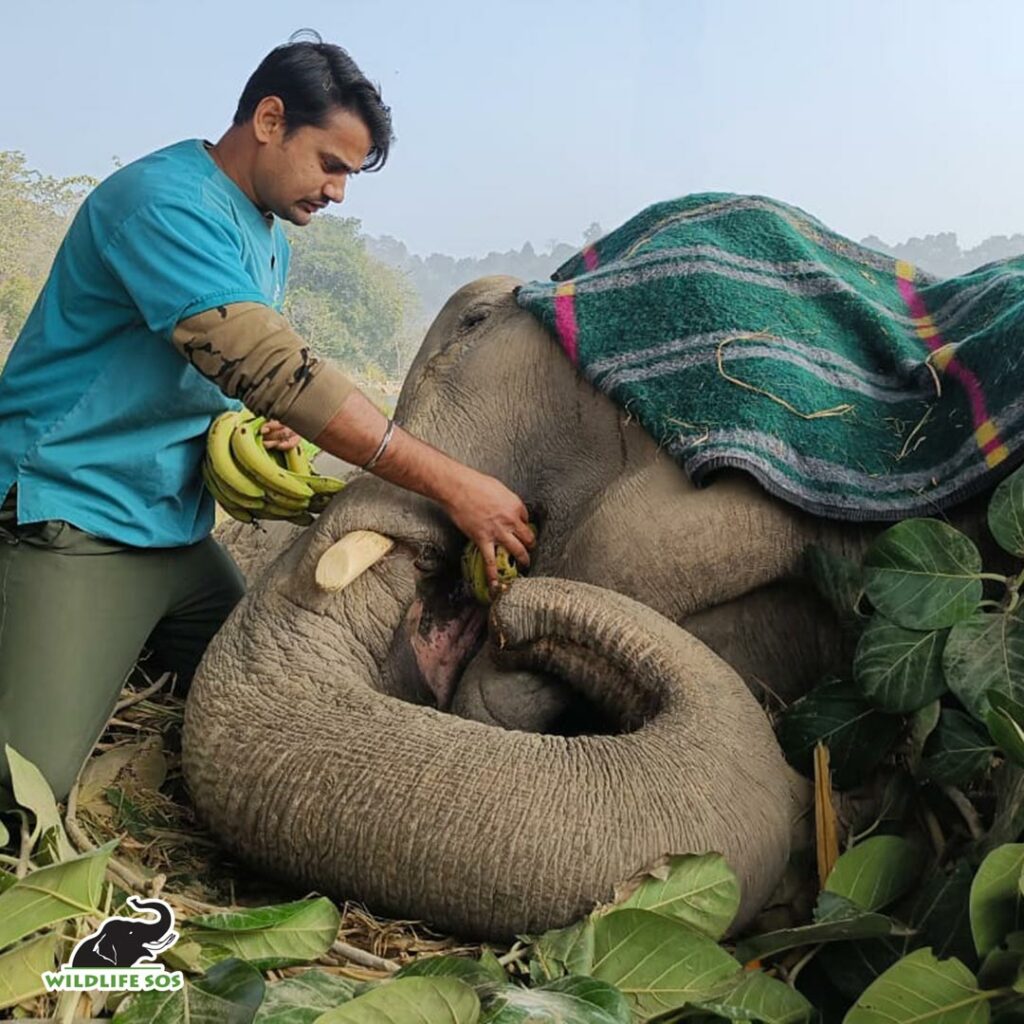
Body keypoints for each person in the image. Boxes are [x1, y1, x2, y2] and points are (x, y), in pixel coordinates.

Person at [0, 34, 535, 803]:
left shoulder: (264, 232)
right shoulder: (164, 204)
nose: (339, 192)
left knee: (265, 694)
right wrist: (453, 484)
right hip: (75, 513)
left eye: (350, 174)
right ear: (270, 118)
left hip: (175, 536)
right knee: (28, 793)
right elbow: (272, 368)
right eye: (332, 164)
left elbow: (220, 376)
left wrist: (257, 425)